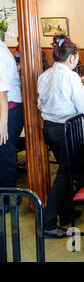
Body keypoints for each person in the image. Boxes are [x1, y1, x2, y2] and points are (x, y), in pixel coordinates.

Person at [37, 35, 84, 238]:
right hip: (66, 129)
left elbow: (40, 104)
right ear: (72, 57)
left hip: (48, 128)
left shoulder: (44, 75)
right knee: (65, 175)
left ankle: (65, 214)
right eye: (77, 58)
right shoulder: (70, 76)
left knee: (64, 171)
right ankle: (47, 223)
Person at [0, 40, 24, 214]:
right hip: (6, 108)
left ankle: (7, 200)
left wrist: (3, 124)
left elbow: (2, 93)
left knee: (5, 154)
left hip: (9, 109)